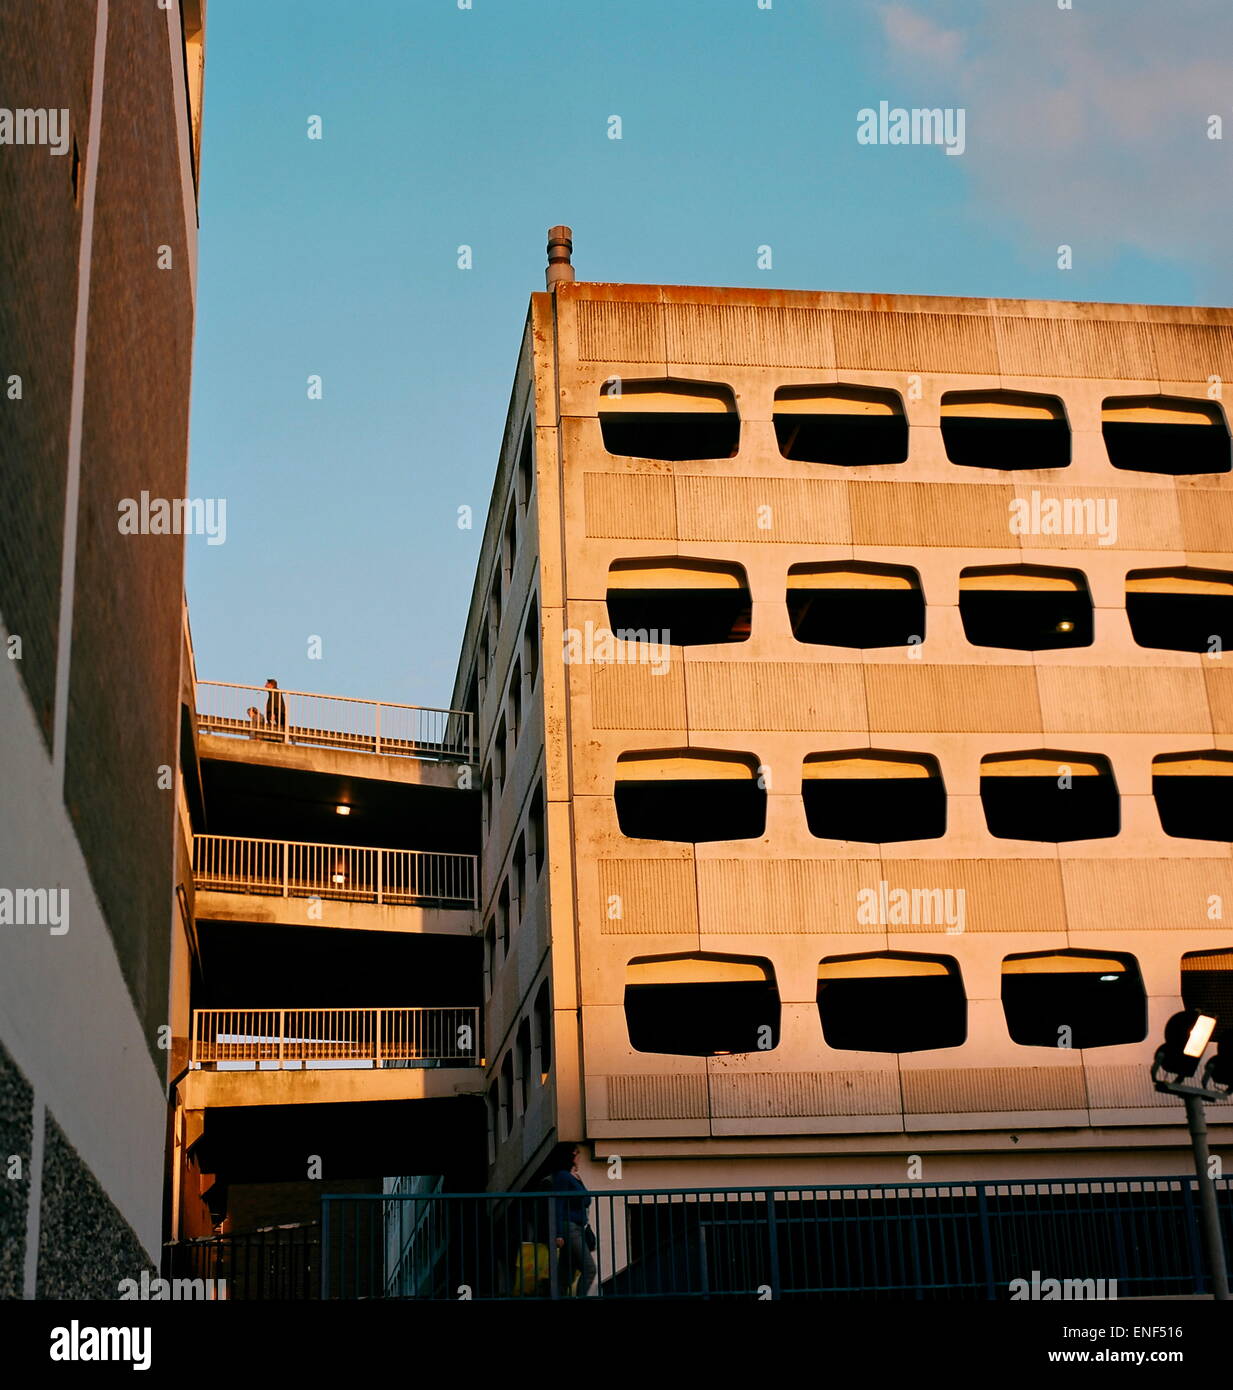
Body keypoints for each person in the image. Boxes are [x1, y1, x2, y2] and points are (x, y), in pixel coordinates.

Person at [551, 1144, 596, 1297]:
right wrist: (558, 1233)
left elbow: (586, 1199)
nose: (579, 1156)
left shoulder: (572, 1176)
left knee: (565, 1274)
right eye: (577, 1153)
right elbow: (558, 1204)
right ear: (570, 1156)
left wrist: (577, 1177)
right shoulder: (563, 1176)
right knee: (589, 1269)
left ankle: (555, 1297)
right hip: (569, 1228)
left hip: (577, 1227)